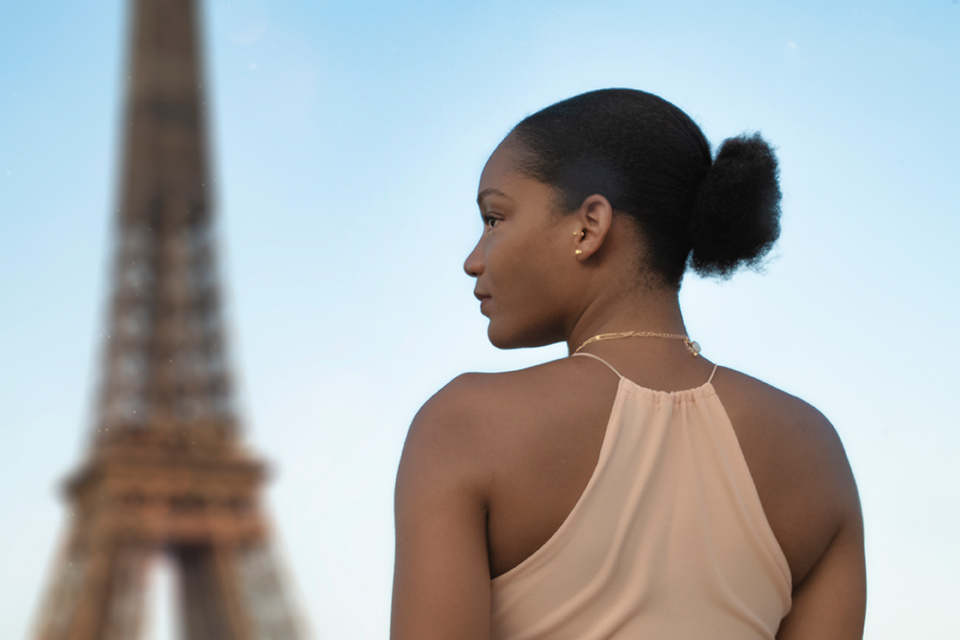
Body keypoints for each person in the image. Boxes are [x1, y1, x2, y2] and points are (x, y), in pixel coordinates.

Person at [390, 88, 865, 640]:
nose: (474, 260)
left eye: (494, 218)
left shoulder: (464, 425)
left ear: (589, 226)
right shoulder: (814, 449)